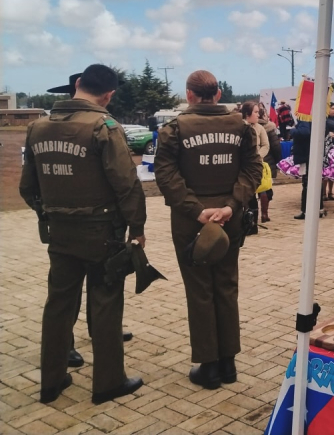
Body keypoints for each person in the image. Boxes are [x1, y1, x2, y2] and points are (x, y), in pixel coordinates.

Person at [20, 64, 146, 404]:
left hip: (60, 232)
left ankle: (51, 380)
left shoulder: (37, 128)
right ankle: (108, 382)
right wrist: (137, 228)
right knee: (105, 303)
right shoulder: (104, 127)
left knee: (58, 305)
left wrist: (51, 213)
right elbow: (127, 184)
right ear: (109, 95)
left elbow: (27, 187)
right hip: (102, 231)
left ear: (77, 83)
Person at [154, 70, 262, 390]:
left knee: (200, 290)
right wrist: (232, 205)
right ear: (217, 94)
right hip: (231, 218)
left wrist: (196, 210)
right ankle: (228, 363)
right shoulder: (241, 126)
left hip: (191, 221)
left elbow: (166, 176)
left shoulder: (174, 129)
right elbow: (253, 169)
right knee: (226, 286)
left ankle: (209, 366)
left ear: (189, 95)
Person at [46, 72, 134, 369]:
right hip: (94, 222)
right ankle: (71, 345)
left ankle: (100, 332)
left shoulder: (97, 123)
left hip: (69, 224)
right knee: (82, 291)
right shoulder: (89, 125)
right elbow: (124, 182)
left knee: (78, 289)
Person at [241, 101, 270, 230]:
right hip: (242, 165)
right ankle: (245, 222)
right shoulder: (239, 127)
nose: (258, 115)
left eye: (258, 112)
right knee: (244, 194)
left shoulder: (260, 128)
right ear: (247, 114)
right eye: (256, 112)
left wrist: (257, 157)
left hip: (255, 165)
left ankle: (253, 225)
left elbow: (266, 145)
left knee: (254, 193)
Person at [291, 117, 324, 220]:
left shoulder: (304, 118)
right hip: (311, 154)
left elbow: (305, 132)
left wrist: (293, 131)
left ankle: (305, 210)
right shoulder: (314, 118)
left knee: (307, 184)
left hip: (306, 155)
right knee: (315, 182)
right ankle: (319, 208)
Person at [259, 107, 282, 223]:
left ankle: (250, 215)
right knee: (266, 187)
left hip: (253, 162)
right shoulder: (269, 128)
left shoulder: (247, 127)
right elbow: (276, 147)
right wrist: (277, 161)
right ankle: (264, 214)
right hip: (267, 163)